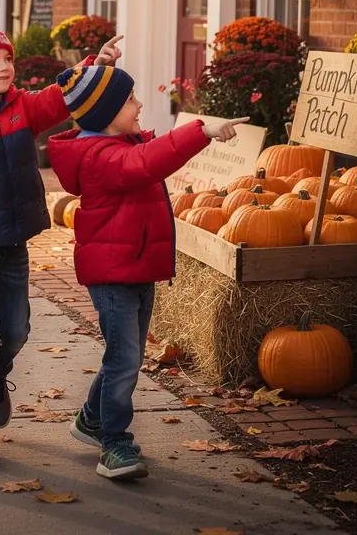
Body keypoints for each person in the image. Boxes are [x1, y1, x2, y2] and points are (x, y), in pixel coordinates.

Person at [0, 19, 123, 466]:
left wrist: (97, 65)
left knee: (16, 330)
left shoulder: (22, 108)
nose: (4, 66)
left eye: (7, 58)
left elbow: (60, 97)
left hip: (12, 245)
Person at [48, 64, 246, 481]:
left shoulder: (120, 144)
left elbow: (146, 156)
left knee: (126, 357)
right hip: (114, 275)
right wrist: (202, 132)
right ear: (105, 114)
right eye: (129, 100)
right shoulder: (101, 156)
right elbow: (145, 162)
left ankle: (92, 418)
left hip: (134, 268)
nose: (139, 105)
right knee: (123, 360)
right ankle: (114, 444)